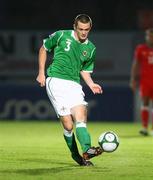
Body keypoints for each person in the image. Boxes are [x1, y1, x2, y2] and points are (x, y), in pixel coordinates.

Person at [36, 14, 103, 166]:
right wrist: (41, 72)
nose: (83, 32)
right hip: (56, 81)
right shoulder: (61, 35)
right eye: (80, 29)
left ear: (90, 28)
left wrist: (91, 84)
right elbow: (43, 48)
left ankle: (87, 152)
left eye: (86, 29)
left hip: (74, 84)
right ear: (74, 26)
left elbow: (85, 71)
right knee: (68, 126)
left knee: (81, 116)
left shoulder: (91, 49)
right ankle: (75, 154)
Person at [130, 28, 153, 136]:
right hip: (145, 81)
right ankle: (144, 127)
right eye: (148, 35)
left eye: (151, 36)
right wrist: (133, 79)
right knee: (145, 102)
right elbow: (136, 64)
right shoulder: (141, 48)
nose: (150, 38)